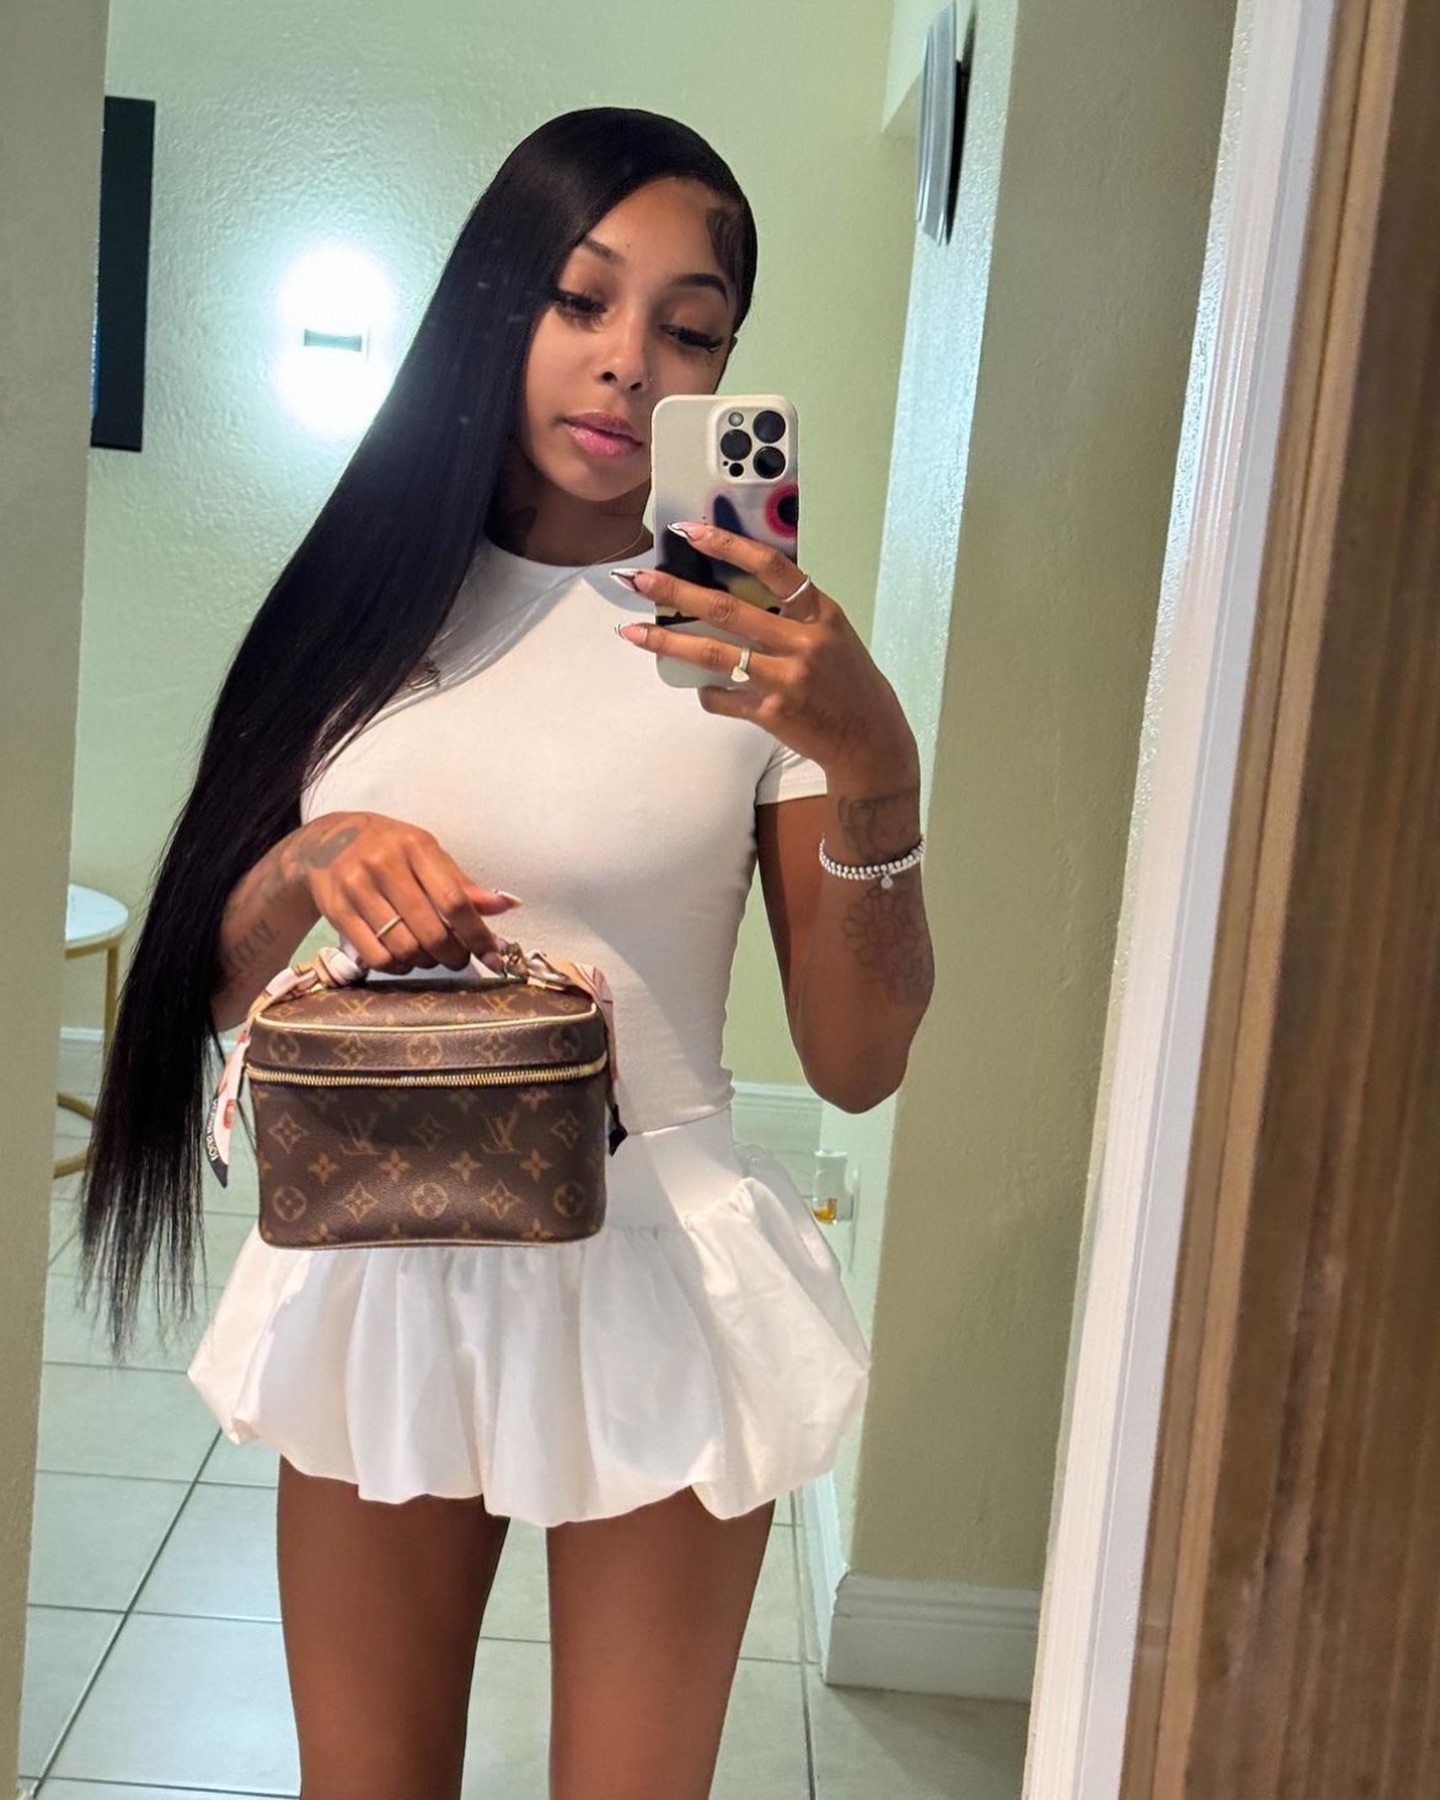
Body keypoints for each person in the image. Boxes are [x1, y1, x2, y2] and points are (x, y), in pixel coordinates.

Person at [77, 106, 933, 1800]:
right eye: (580, 299)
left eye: (690, 329)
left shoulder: (756, 650)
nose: (628, 362)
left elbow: (857, 1062)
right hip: (387, 1243)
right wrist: (309, 864)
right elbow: (222, 996)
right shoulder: (361, 604)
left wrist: (876, 768)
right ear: (495, 303)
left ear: (724, 372)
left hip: (657, 1251)